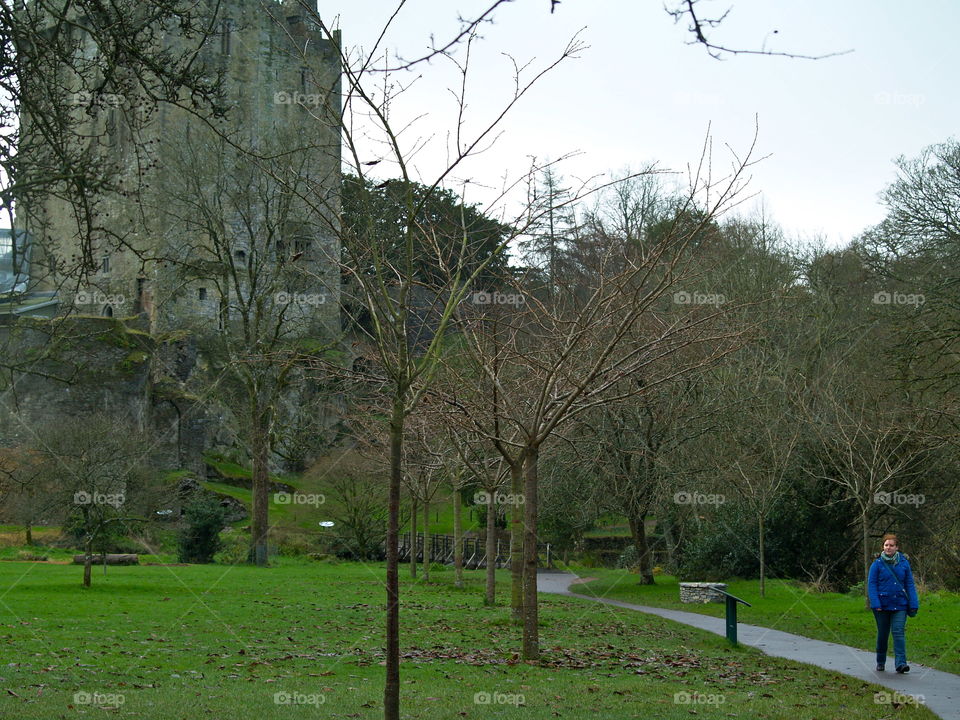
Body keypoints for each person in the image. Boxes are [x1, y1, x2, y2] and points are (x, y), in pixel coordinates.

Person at [868, 533, 919, 673]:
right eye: (886, 545)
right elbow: (871, 585)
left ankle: (901, 663)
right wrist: (875, 603)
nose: (888, 548)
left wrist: (914, 603)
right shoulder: (877, 564)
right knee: (883, 634)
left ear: (897, 547)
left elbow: (909, 584)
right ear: (882, 547)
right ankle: (880, 661)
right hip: (882, 606)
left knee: (898, 632)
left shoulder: (904, 563)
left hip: (900, 604)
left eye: (891, 545)